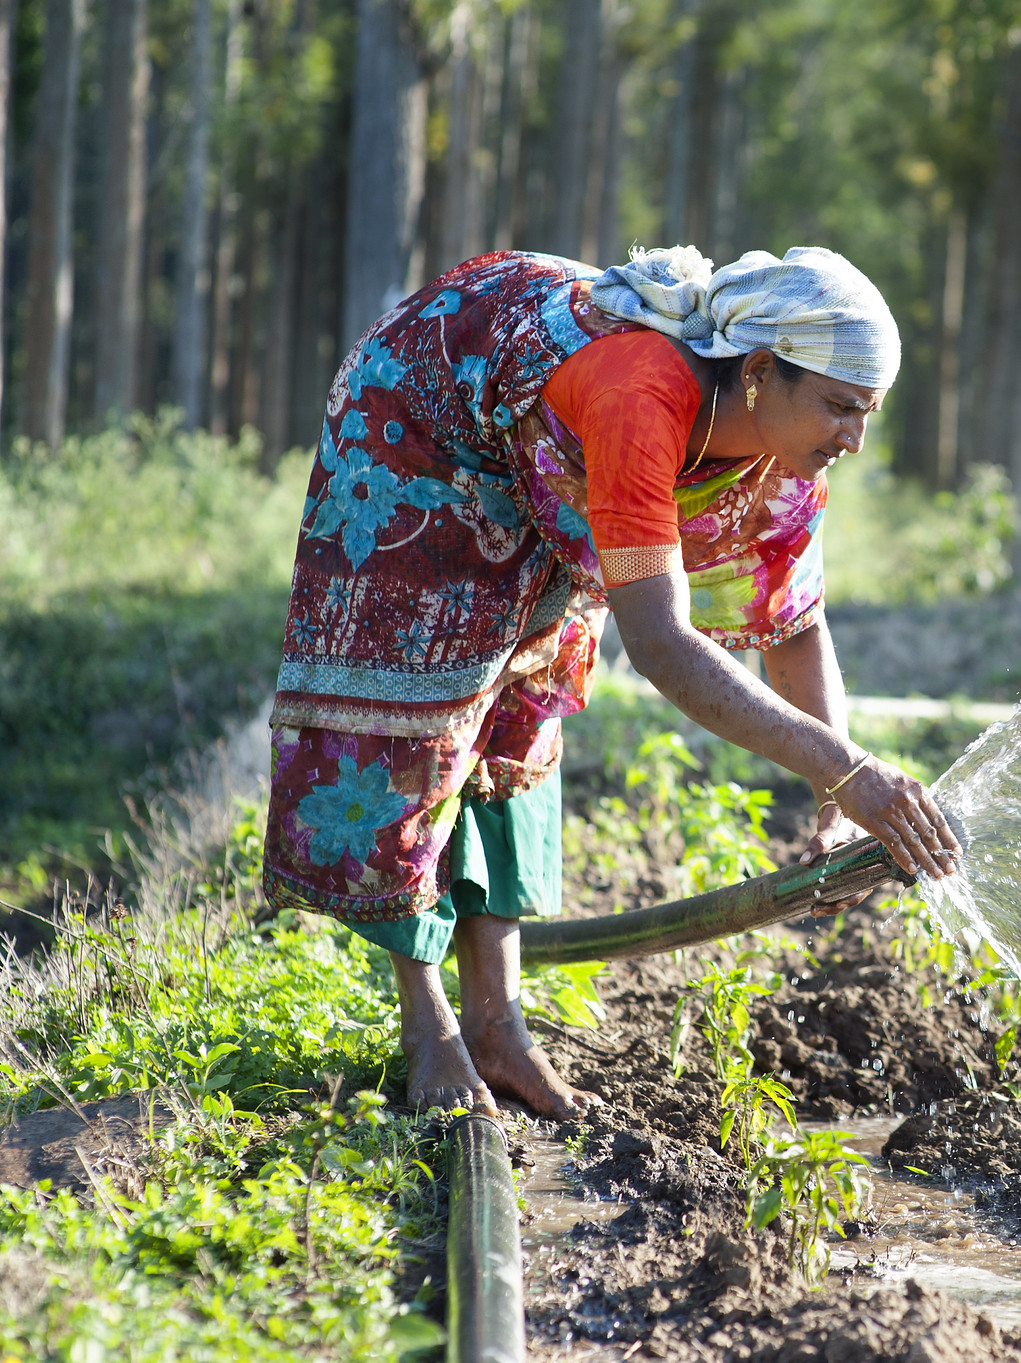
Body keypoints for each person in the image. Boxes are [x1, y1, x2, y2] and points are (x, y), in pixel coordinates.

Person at [260, 245, 961, 1119]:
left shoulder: (787, 458)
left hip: (544, 446)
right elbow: (663, 645)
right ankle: (429, 1025)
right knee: (422, 708)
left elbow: (793, 620)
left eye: (868, 414)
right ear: (757, 374)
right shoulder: (643, 395)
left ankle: (498, 1024)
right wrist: (848, 772)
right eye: (839, 407)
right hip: (425, 417)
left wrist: (831, 799)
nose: (854, 439)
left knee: (527, 701)